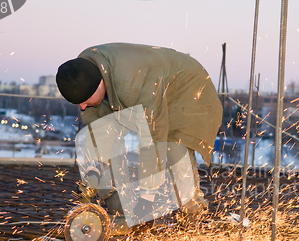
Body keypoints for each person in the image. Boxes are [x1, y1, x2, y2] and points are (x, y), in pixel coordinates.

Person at [56, 43, 223, 231]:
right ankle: (120, 211)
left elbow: (153, 139)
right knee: (106, 143)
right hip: (141, 87)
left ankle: (193, 215)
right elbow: (100, 134)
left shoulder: (135, 83)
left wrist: (147, 198)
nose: (82, 107)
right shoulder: (82, 70)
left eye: (85, 101)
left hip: (186, 90)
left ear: (100, 84)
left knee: (175, 149)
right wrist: (93, 173)